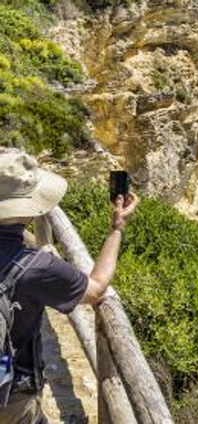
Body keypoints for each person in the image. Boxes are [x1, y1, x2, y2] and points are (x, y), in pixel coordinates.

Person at [0, 149, 139, 424]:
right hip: (10, 397)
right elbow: (96, 288)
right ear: (29, 208)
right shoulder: (37, 267)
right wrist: (117, 229)